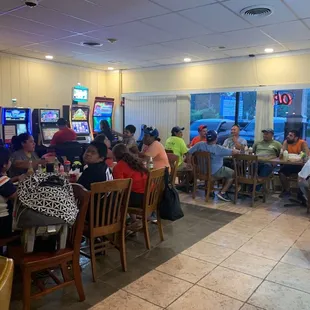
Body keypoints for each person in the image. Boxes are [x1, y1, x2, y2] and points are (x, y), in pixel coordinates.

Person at [187, 130, 239, 202]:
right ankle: (222, 192)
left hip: (201, 171)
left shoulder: (199, 144)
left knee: (223, 170)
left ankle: (211, 191)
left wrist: (189, 163)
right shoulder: (219, 148)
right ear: (216, 139)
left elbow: (189, 152)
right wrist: (238, 150)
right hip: (214, 172)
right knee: (233, 173)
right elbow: (234, 152)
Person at [113, 144, 148, 226]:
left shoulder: (118, 167)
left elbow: (120, 187)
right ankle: (134, 220)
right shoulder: (137, 161)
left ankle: (118, 225)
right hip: (150, 196)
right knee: (129, 193)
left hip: (139, 199)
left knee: (114, 198)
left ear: (115, 156)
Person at [279, 130, 309, 198]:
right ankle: (287, 190)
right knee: (281, 172)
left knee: (304, 176)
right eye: (288, 135)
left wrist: (302, 156)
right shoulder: (286, 142)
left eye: (290, 135)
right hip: (290, 164)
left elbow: (306, 156)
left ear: (296, 138)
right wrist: (281, 152)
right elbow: (281, 155)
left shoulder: (302, 143)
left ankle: (301, 194)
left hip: (301, 166)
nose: (288, 136)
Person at [0, 147, 18, 238]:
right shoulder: (3, 180)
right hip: (3, 221)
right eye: (9, 160)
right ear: (4, 165)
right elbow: (17, 197)